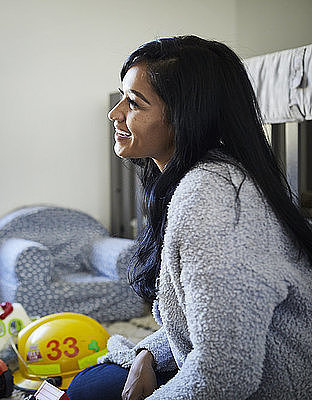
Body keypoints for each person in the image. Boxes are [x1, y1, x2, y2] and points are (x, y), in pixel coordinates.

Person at [66, 35, 312, 400]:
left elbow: (226, 373)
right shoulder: (192, 180)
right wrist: (145, 355)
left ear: (184, 117)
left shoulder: (212, 198)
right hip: (228, 364)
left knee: (87, 391)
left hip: (273, 384)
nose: (114, 113)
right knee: (90, 382)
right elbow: (199, 323)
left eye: (134, 103)